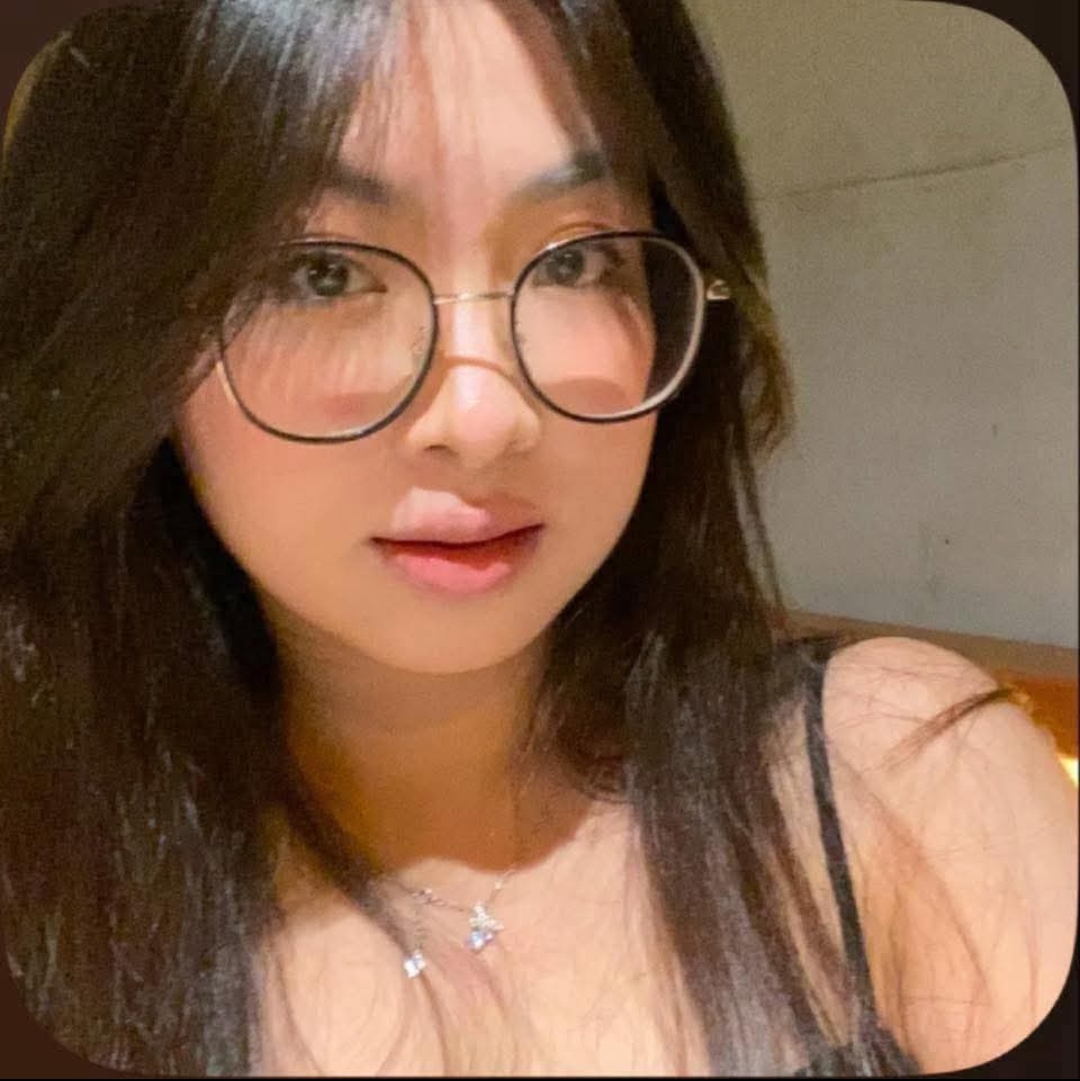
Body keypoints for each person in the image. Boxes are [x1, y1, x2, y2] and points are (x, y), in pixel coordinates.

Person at [0, 0, 1075, 1075]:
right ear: (124, 330)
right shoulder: (46, 900)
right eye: (321, 271)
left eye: (575, 260)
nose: (483, 421)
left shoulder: (900, 786)